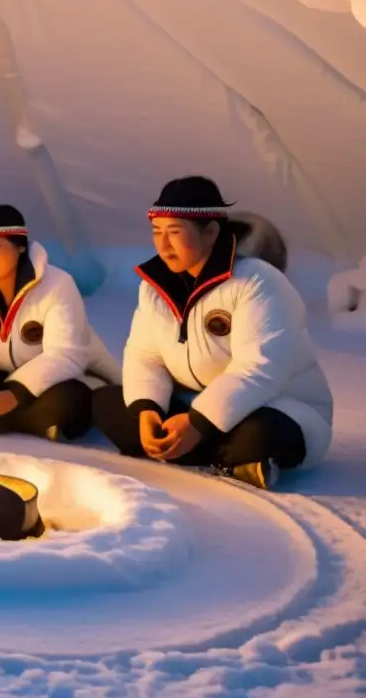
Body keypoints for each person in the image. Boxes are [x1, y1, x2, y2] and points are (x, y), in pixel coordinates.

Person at [91, 176, 333, 489]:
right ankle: (226, 458)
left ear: (211, 232)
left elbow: (261, 368)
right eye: (157, 232)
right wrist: (148, 409)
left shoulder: (258, 283)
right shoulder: (155, 287)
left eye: (175, 232)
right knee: (107, 403)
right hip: (192, 403)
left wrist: (198, 423)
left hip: (275, 407)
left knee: (260, 435)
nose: (163, 245)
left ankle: (213, 449)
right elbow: (145, 356)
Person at [0, 204, 121, 440]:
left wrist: (12, 395)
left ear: (20, 246)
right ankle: (22, 423)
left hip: (64, 379)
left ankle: (6, 421)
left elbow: (66, 355)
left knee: (66, 402)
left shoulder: (57, 285)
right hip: (4, 376)